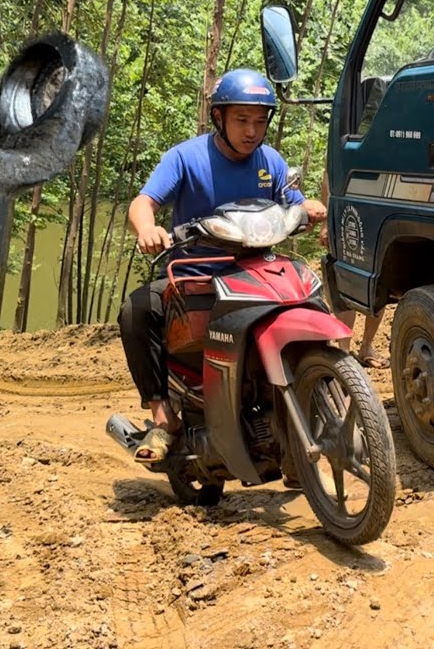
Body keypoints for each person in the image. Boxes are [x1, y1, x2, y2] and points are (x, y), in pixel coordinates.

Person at [118, 68, 327, 463]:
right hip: (197, 278)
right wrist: (147, 229)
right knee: (137, 309)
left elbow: (292, 200)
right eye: (242, 120)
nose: (252, 131)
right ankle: (163, 418)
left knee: (311, 300)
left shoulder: (271, 161)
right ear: (219, 118)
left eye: (260, 121)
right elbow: (143, 203)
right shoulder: (185, 157)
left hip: (258, 275)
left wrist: (310, 208)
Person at [318, 172, 386, 369]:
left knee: (379, 284)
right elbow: (329, 175)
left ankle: (367, 347)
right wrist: (325, 222)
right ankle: (344, 353)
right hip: (344, 216)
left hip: (376, 217)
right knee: (341, 282)